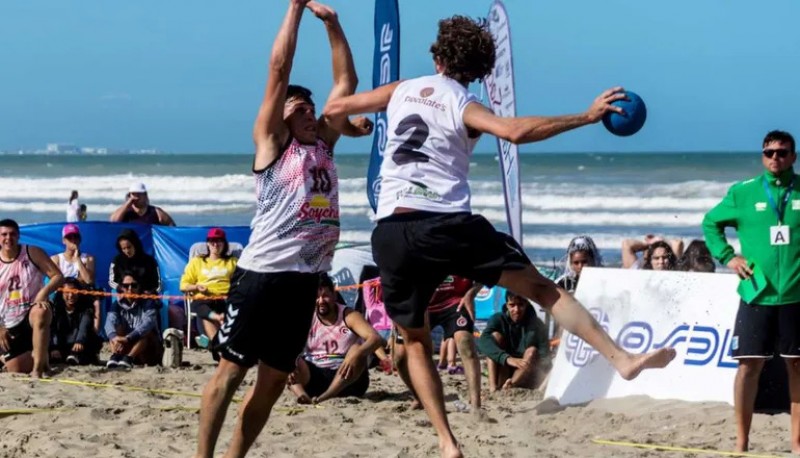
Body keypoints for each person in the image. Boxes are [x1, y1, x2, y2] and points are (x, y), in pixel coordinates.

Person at [323, 15, 676, 457]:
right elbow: (514, 132)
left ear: (437, 56)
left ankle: (447, 442)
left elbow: (335, 111)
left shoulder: (401, 89)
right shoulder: (464, 102)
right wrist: (586, 117)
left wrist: (355, 129)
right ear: (479, 70)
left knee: (415, 341)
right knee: (545, 291)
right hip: (446, 224)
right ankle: (621, 359)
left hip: (391, 230)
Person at [195, 2, 372, 457]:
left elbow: (345, 86)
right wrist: (295, 9)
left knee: (274, 382)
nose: (308, 113)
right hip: (261, 277)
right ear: (282, 119)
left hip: (303, 283)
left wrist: (333, 25)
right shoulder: (274, 146)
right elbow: (278, 69)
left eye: (310, 108)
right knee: (231, 373)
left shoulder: (325, 148)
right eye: (298, 108)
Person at [702, 130, 800, 454]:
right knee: (748, 367)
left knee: (797, 367)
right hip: (756, 295)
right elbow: (710, 223)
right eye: (769, 152)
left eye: (783, 152)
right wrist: (729, 257)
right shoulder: (743, 193)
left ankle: (797, 443)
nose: (776, 158)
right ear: (762, 156)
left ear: (793, 157)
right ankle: (742, 443)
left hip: (795, 296)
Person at [394, 275, 484, 414]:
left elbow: (486, 271)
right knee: (400, 357)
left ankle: (476, 406)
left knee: (466, 345)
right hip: (420, 304)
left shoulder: (465, 252)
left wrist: (472, 293)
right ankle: (419, 398)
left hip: (455, 301)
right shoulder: (413, 253)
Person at [288, 274, 382, 404]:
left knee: (356, 349)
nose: (321, 300)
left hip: (348, 377)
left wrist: (360, 352)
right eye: (316, 297)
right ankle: (302, 395)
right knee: (287, 358)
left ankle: (326, 396)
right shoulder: (306, 316)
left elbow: (375, 338)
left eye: (325, 295)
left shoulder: (349, 315)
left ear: (334, 296)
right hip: (314, 376)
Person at [0, 219, 64, 377]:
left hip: (28, 317)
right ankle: (40, 356)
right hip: (6, 322)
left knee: (41, 310)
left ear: (19, 236)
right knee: (11, 366)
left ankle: (38, 368)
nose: (8, 238)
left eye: (13, 234)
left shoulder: (32, 252)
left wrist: (44, 293)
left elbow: (58, 276)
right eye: (4, 234)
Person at [478, 292, 550, 392]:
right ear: (507, 305)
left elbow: (545, 355)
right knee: (495, 337)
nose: (516, 310)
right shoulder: (498, 319)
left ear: (526, 304)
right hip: (504, 366)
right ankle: (493, 387)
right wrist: (507, 358)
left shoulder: (537, 324)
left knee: (532, 351)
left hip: (525, 370)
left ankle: (511, 385)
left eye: (520, 305)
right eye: (512, 305)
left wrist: (543, 372)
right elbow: (483, 341)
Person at [179, 227, 238, 347]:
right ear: (207, 243)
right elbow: (183, 285)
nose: (215, 244)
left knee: (205, 319)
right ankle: (217, 321)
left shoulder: (233, 262)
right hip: (204, 299)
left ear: (224, 244)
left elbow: (241, 281)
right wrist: (196, 287)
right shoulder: (197, 262)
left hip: (225, 299)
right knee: (200, 305)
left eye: (219, 241)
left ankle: (212, 344)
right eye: (212, 241)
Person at [104, 272, 162, 368]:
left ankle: (129, 358)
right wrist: (114, 337)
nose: (130, 289)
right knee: (115, 330)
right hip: (126, 345)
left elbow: (147, 324)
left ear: (139, 287)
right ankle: (116, 356)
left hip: (148, 351)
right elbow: (109, 323)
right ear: (121, 288)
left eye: (134, 285)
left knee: (147, 332)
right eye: (126, 286)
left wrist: (129, 338)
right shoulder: (117, 304)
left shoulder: (148, 302)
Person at [50, 277, 101, 365]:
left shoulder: (86, 308)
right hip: (62, 343)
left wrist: (79, 341)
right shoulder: (55, 309)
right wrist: (54, 347)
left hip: (81, 342)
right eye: (67, 292)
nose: (70, 295)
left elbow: (84, 326)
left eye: (74, 292)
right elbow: (53, 329)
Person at [108, 229, 161, 294]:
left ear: (135, 244)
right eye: (124, 248)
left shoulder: (149, 261)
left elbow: (158, 284)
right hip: (125, 297)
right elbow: (111, 282)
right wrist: (122, 288)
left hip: (145, 298)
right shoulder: (117, 261)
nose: (127, 251)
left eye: (129, 247)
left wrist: (149, 293)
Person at [109, 182, 176, 226]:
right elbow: (113, 222)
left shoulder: (156, 212)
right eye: (133, 194)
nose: (136, 197)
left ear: (145, 195)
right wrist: (127, 204)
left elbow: (172, 226)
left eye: (139, 194)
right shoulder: (125, 212)